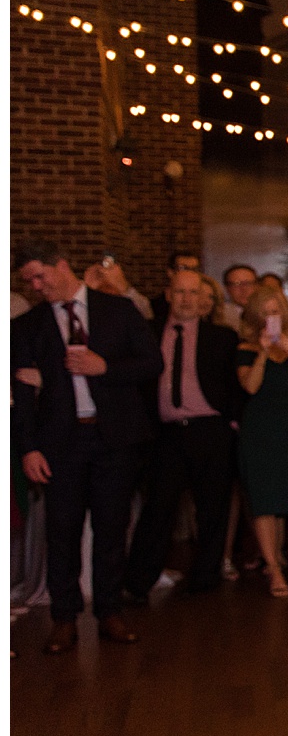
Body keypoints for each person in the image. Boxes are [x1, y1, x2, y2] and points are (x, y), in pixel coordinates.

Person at [13, 240, 161, 652]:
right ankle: (64, 618)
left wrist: (105, 368)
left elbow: (152, 363)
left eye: (40, 276)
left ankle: (110, 611)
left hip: (114, 438)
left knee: (111, 529)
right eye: (29, 282)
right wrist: (29, 448)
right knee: (62, 532)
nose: (37, 287)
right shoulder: (29, 326)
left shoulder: (117, 310)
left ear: (62, 265)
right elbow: (21, 397)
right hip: (60, 442)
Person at [121, 268, 242, 601]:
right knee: (158, 507)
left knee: (212, 508)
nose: (187, 300)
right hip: (166, 433)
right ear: (169, 295)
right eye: (181, 293)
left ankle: (205, 578)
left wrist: (230, 424)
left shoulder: (221, 337)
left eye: (194, 293)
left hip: (209, 430)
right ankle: (138, 582)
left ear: (203, 299)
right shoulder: (148, 334)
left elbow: (235, 387)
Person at [235, 284, 288, 597]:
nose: (273, 317)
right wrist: (262, 352)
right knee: (265, 502)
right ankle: (274, 569)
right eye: (266, 313)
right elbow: (250, 387)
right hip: (261, 431)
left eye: (277, 311)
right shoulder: (246, 348)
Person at [222, 264, 258, 331]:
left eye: (248, 283)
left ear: (256, 286)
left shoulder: (266, 314)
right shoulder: (220, 317)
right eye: (237, 284)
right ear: (227, 288)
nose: (243, 289)